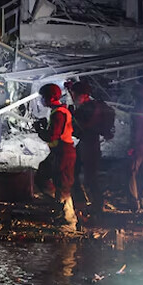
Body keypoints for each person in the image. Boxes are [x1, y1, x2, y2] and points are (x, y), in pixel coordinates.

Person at [33, 83, 77, 231]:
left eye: (43, 97)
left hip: (64, 152)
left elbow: (52, 135)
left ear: (50, 98)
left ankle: (69, 221)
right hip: (58, 151)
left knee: (63, 184)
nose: (42, 100)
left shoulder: (59, 113)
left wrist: (40, 130)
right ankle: (59, 206)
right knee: (42, 176)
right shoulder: (57, 111)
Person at [70, 80, 115, 215]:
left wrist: (73, 116)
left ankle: (97, 206)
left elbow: (85, 127)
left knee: (90, 177)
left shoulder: (90, 108)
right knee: (75, 171)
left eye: (75, 95)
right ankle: (85, 201)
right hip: (86, 142)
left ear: (83, 95)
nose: (73, 97)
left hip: (90, 144)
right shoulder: (89, 106)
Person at [128, 92, 143, 211]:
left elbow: (136, 131)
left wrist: (133, 146)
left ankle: (135, 200)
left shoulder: (136, 112)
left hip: (139, 146)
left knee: (133, 172)